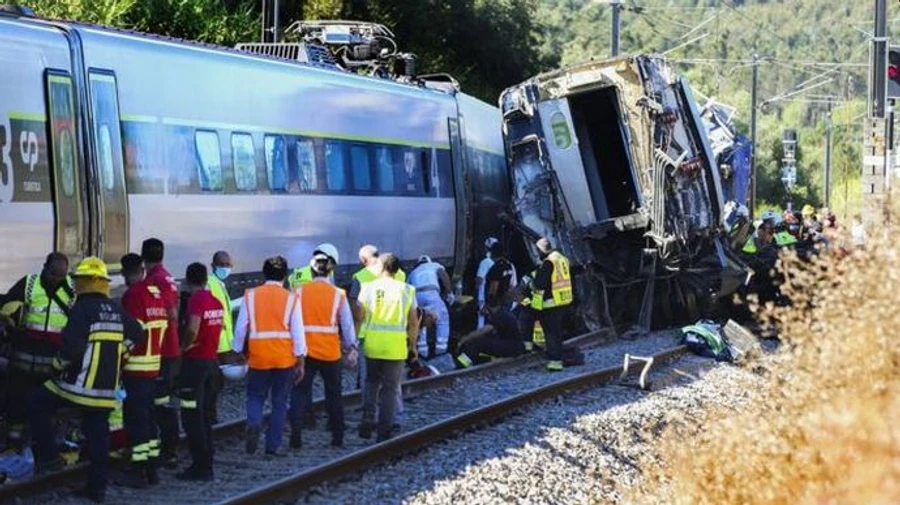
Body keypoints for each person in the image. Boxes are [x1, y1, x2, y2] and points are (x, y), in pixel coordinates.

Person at [29, 258, 144, 503]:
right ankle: (96, 489)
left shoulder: (81, 309)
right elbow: (137, 332)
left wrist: (54, 367)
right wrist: (121, 352)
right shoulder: (114, 308)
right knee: (98, 435)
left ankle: (49, 459)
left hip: (75, 386)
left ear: (82, 283)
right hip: (104, 389)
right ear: (103, 283)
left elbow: (71, 350)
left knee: (37, 402)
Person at [233, 256, 306, 456]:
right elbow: (298, 332)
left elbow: (241, 328)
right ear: (285, 275)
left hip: (258, 357)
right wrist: (300, 358)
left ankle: (254, 423)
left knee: (255, 397)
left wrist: (238, 350)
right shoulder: (291, 298)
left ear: (264, 273)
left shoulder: (250, 296)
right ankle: (272, 446)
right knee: (280, 401)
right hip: (284, 359)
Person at [0, 252, 73, 453]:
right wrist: (12, 313)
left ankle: (42, 444)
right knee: (17, 402)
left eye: (60, 275)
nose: (56, 280)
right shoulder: (29, 283)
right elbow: (5, 305)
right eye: (52, 274)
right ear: (44, 268)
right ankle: (14, 443)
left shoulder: (71, 288)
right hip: (23, 357)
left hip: (52, 362)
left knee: (47, 407)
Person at [288, 244, 357, 449]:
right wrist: (351, 347)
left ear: (311, 270)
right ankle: (338, 436)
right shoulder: (338, 294)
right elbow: (346, 324)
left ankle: (296, 435)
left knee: (299, 393)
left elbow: (290, 321)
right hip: (330, 353)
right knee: (334, 394)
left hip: (304, 352)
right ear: (331, 270)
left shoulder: (298, 292)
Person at [355, 253, 419, 442]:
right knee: (390, 388)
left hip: (373, 345)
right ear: (397, 270)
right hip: (395, 348)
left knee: (371, 382)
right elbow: (414, 323)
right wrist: (413, 346)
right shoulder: (407, 290)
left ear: (381, 268)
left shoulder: (367, 288)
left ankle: (367, 418)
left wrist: (357, 338)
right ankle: (384, 429)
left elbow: (359, 315)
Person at [119, 253, 169, 488]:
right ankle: (152, 469)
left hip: (135, 368)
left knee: (136, 421)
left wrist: (118, 361)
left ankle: (139, 471)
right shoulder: (155, 292)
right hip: (153, 366)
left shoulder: (132, 295)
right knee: (149, 420)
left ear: (125, 273)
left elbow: (132, 333)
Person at [176, 263, 223, 480]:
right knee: (205, 415)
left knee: (191, 417)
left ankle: (200, 467)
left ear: (187, 280)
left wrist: (182, 348)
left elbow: (193, 328)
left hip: (195, 365)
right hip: (212, 364)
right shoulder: (215, 301)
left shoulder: (196, 300)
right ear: (205, 279)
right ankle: (208, 461)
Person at [141, 238, 181, 467]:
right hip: (169, 348)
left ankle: (168, 451)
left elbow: (170, 314)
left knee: (161, 403)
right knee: (162, 402)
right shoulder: (166, 276)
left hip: (162, 350)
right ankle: (167, 448)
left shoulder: (155, 280)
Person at [518, 238, 573, 372]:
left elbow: (540, 285)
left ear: (541, 250)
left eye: (537, 251)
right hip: (563, 300)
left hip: (550, 303)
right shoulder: (561, 258)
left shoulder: (548, 262)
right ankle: (553, 357)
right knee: (555, 331)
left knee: (551, 333)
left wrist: (529, 284)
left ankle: (555, 362)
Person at [207, 250, 238, 425]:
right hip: (215, 344)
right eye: (222, 264)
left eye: (228, 265)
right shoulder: (211, 283)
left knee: (217, 383)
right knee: (214, 383)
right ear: (213, 265)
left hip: (222, 344)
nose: (226, 268)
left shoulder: (219, 284)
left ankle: (211, 415)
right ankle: (210, 416)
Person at [406, 256, 452, 358]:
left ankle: (423, 352)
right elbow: (443, 275)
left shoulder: (413, 272)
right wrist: (449, 292)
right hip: (431, 293)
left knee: (421, 321)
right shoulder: (434, 265)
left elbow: (407, 289)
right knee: (442, 318)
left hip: (416, 296)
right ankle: (441, 350)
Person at [456, 303, 526, 368]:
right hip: (513, 346)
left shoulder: (499, 315)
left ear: (487, 306)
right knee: (482, 342)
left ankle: (462, 366)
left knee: (475, 343)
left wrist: (465, 338)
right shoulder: (502, 312)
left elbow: (483, 330)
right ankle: (477, 363)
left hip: (513, 347)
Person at [475, 237, 499, 329]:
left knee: (481, 323)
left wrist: (476, 296)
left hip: (483, 298)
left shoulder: (485, 262)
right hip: (494, 298)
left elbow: (479, 280)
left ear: (486, 248)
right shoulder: (500, 263)